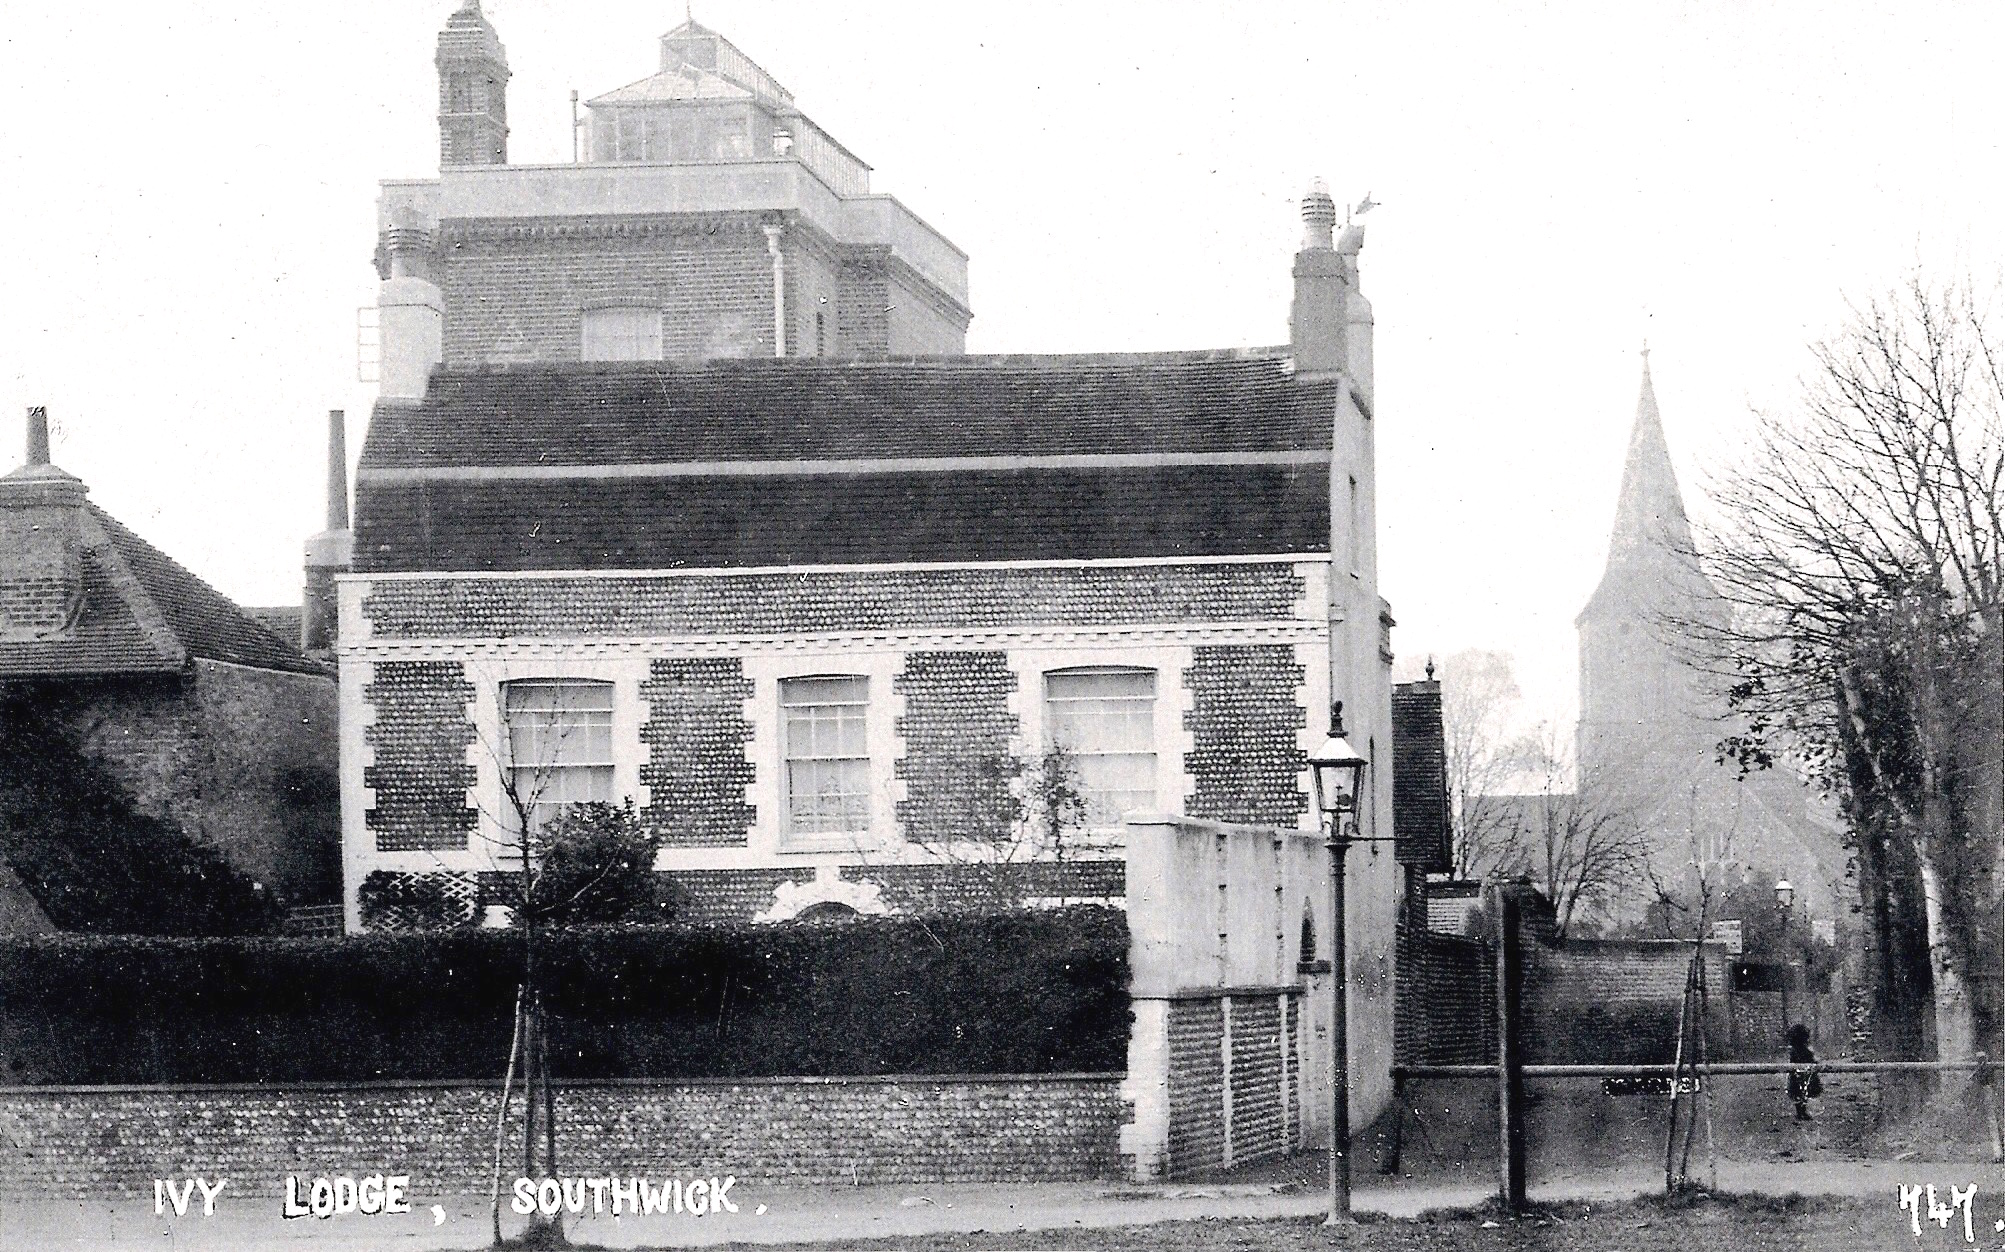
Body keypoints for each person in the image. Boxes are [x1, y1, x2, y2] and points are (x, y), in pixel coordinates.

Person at [1787, 1023, 1821, 1121]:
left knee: (1802, 1094)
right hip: (1800, 1075)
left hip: (1802, 1074)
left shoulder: (1798, 1050)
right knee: (1800, 1093)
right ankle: (1801, 1113)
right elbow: (1807, 1060)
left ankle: (1801, 1112)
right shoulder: (1800, 1051)